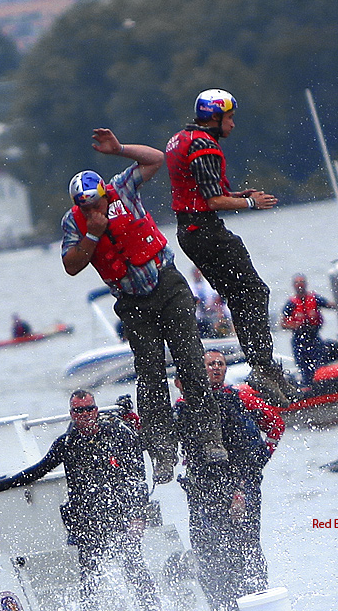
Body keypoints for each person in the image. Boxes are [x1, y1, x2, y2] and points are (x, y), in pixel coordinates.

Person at [61, 127, 226, 485]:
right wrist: (93, 232)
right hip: (133, 302)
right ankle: (163, 455)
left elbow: (156, 159)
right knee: (150, 376)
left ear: (104, 192)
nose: (93, 209)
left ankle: (210, 439)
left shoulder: (122, 187)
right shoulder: (75, 224)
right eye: (85, 206)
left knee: (190, 363)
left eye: (96, 202)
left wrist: (119, 149)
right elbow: (71, 265)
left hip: (167, 285)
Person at [0, 390, 167, 611]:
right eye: (78, 411)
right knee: (89, 581)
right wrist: (1, 484)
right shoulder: (67, 443)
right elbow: (39, 469)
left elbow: (137, 478)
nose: (85, 415)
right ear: (72, 415)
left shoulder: (119, 435)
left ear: (96, 410)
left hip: (123, 519)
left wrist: (138, 516)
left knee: (136, 573)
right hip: (89, 523)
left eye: (89, 409)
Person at [165, 88, 291, 406]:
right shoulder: (205, 145)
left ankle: (261, 367)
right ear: (215, 117)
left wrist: (236, 193)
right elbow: (212, 200)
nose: (233, 125)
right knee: (255, 291)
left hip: (190, 233)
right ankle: (263, 367)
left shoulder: (181, 138)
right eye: (230, 118)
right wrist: (249, 201)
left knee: (239, 296)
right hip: (206, 232)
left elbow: (201, 189)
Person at [174, 350, 285, 611]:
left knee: (246, 546)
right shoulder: (186, 404)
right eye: (209, 364)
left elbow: (276, 426)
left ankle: (261, 610)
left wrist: (256, 467)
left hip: (241, 485)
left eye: (220, 364)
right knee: (207, 550)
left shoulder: (236, 397)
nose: (215, 368)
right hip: (204, 490)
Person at [280, 274, 335, 388]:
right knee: (303, 366)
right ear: (294, 286)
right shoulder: (291, 304)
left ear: (306, 284)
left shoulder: (315, 298)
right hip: (299, 339)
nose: (300, 285)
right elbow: (283, 323)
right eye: (297, 283)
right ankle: (307, 387)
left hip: (314, 337)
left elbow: (330, 305)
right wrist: (294, 325)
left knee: (319, 361)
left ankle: (323, 385)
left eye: (302, 282)